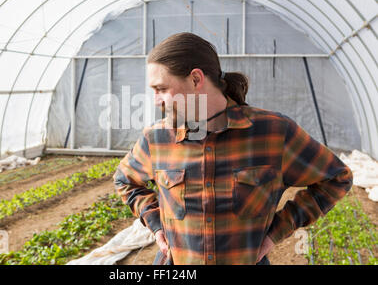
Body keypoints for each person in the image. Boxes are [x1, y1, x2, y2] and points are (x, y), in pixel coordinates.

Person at [113, 32, 353, 265]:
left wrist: (276, 233)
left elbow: (336, 178)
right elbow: (125, 181)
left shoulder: (274, 132)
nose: (156, 100)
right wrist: (155, 224)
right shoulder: (157, 138)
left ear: (196, 79)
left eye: (162, 89)